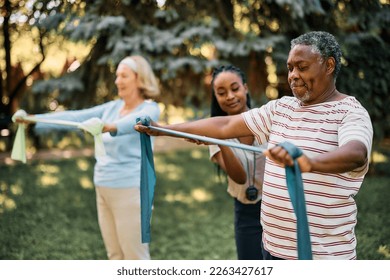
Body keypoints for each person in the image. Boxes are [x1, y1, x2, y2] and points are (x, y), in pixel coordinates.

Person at [135, 31, 373, 260]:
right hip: (272, 249)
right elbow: (225, 125)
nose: (292, 75)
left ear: (329, 65)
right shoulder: (282, 108)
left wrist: (308, 163)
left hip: (323, 256)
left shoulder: (350, 112)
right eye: (290, 68)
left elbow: (356, 153)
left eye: (302, 67)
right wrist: (161, 128)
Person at [17, 55, 161, 260]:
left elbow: (138, 122)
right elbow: (76, 116)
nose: (117, 81)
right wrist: (33, 119)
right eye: (117, 76)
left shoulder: (150, 108)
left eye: (124, 76)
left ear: (139, 79)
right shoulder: (112, 108)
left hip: (131, 191)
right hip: (103, 187)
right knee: (114, 255)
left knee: (135, 258)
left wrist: (110, 126)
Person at [208, 65, 266, 260]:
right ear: (215, 96)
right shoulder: (214, 132)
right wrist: (221, 138)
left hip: (276, 207)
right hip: (246, 213)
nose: (230, 96)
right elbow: (239, 177)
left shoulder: (266, 120)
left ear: (246, 89)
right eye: (222, 93)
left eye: (235, 88)